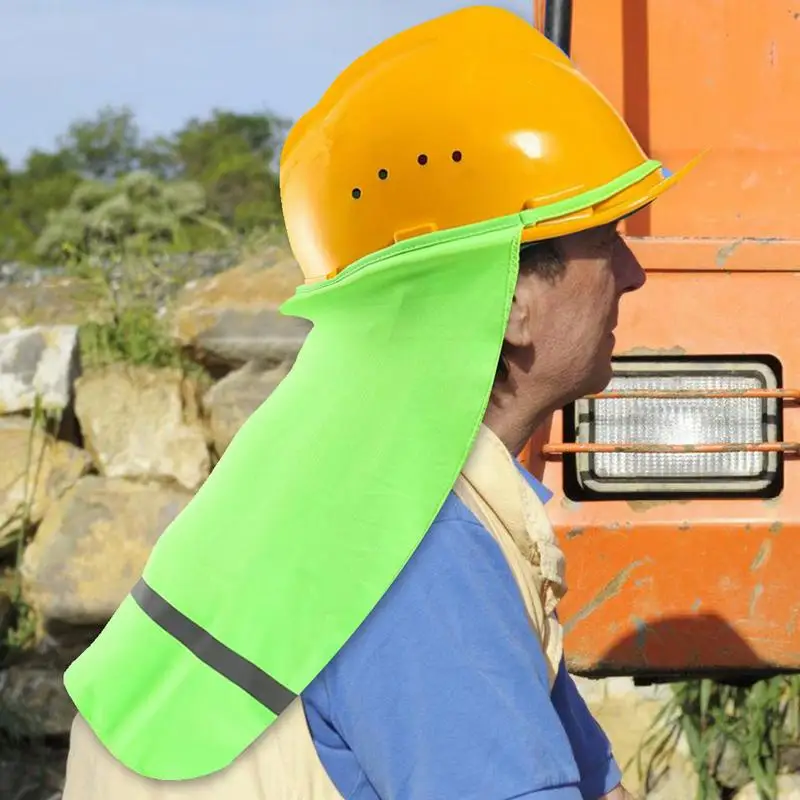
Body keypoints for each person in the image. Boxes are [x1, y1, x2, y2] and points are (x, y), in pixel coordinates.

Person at [61, 6, 699, 799]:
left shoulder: (351, 473)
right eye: (604, 241)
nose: (633, 276)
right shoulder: (414, 549)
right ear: (508, 300)